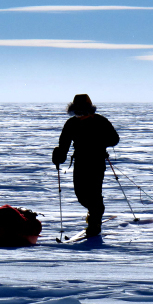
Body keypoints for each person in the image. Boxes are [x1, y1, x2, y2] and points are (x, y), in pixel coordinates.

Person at [52, 94, 119, 237]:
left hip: (96, 161)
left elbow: (114, 139)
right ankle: (96, 212)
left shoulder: (100, 121)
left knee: (94, 193)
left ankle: (95, 223)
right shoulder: (71, 123)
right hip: (80, 162)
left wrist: (100, 142)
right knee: (81, 194)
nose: (80, 112)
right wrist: (59, 156)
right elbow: (64, 144)